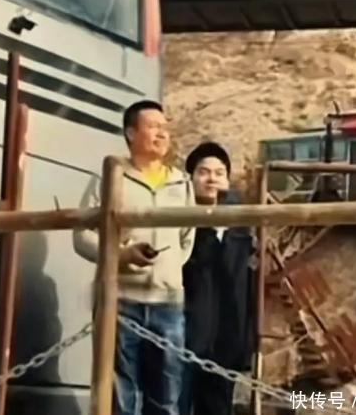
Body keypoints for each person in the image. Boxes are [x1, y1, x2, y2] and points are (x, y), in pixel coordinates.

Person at [73, 99, 195, 415]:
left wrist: (166, 270)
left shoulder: (182, 182)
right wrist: (122, 255)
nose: (162, 134)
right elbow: (82, 236)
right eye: (153, 127)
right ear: (130, 133)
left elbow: (186, 240)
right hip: (120, 302)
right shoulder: (110, 176)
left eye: (165, 127)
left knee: (166, 398)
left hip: (168, 304)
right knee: (120, 397)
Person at [180, 141, 256, 415]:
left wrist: (246, 342)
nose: (211, 178)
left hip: (227, 337)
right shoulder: (178, 221)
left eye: (219, 173)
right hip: (184, 335)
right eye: (203, 172)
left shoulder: (243, 227)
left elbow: (247, 286)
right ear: (190, 178)